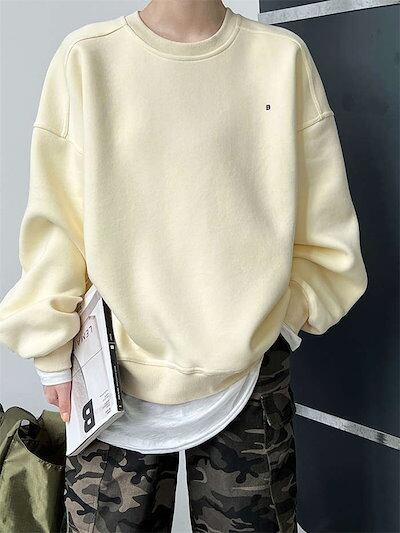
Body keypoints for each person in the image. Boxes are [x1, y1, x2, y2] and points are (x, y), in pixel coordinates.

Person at [0, 1, 368, 531]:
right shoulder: (86, 59)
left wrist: (281, 320)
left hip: (248, 375)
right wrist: (52, 354)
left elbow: (326, 236)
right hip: (111, 378)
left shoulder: (281, 59)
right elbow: (57, 228)